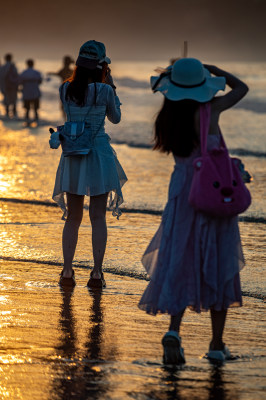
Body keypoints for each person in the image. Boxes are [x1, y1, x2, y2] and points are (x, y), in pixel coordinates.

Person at [138, 57, 249, 364]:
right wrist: (217, 71)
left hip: (182, 192)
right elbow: (242, 88)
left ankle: (174, 331)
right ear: (203, 85)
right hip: (211, 192)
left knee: (180, 257)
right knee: (218, 260)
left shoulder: (168, 115)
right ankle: (216, 343)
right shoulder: (210, 111)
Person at [52, 40, 127, 288]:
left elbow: (71, 116)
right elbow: (115, 119)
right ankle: (96, 273)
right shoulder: (105, 90)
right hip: (99, 155)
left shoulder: (65, 88)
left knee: (73, 217)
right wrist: (111, 85)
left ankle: (66, 271)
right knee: (98, 217)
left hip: (73, 153)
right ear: (102, 66)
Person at [19, 59, 42, 125]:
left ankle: (27, 121)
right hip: (35, 93)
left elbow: (20, 82)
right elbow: (40, 81)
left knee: (27, 109)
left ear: (27, 64)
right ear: (33, 64)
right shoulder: (36, 72)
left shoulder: (24, 73)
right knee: (35, 109)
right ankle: (37, 121)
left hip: (26, 93)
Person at [0, 53, 19, 118]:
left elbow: (1, 77)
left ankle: (7, 113)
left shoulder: (3, 67)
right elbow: (16, 77)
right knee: (13, 99)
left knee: (7, 99)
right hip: (13, 86)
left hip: (6, 86)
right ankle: (14, 112)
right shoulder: (13, 67)